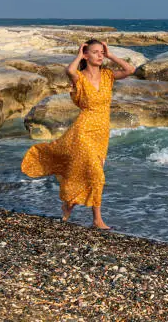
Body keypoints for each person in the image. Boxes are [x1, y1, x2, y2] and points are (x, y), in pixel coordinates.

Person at [21, 39, 135, 229]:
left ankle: (69, 202)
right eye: (96, 52)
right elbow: (70, 71)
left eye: (101, 52)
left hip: (102, 131)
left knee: (88, 171)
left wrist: (111, 55)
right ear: (86, 55)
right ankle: (97, 219)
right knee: (97, 174)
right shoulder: (79, 77)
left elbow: (130, 70)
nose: (100, 55)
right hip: (83, 129)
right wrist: (78, 55)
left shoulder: (108, 75)